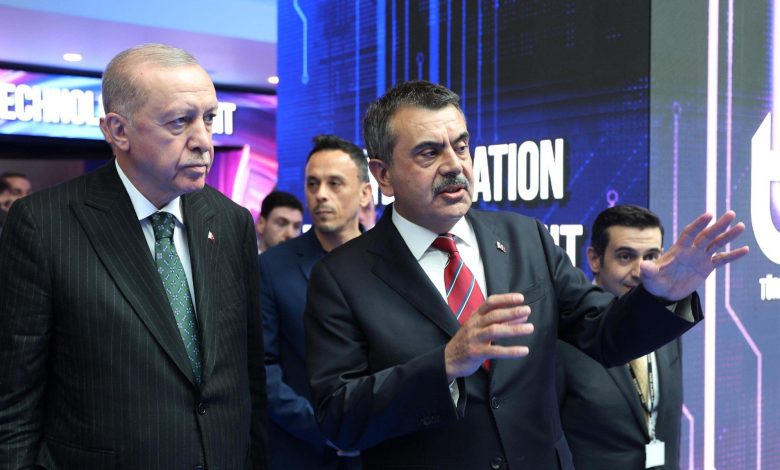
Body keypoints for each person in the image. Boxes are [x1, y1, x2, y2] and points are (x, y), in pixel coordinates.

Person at [303, 80, 748, 470]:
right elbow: (339, 418)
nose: (454, 165)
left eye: (461, 145)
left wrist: (661, 296)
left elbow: (604, 333)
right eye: (429, 152)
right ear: (383, 175)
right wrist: (446, 364)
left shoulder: (524, 237)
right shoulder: (341, 278)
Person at [0, 44, 267, 469]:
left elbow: (250, 377)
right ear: (118, 131)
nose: (203, 141)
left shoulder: (231, 221)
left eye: (209, 119)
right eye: (180, 122)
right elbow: (15, 402)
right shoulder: (44, 224)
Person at [260, 134, 371, 470]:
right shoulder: (272, 267)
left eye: (334, 183)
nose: (320, 194)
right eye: (313, 183)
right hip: (304, 450)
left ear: (365, 193)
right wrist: (326, 429)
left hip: (384, 449)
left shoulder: (394, 262)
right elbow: (262, 368)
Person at [556, 205, 681, 469]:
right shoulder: (564, 336)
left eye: (651, 257)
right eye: (625, 257)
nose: (641, 271)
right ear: (594, 259)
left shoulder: (665, 321)